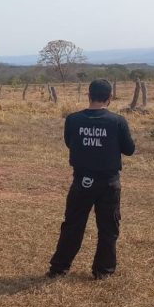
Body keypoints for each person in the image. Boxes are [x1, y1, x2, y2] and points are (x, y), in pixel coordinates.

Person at [48, 79, 136, 280]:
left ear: (88, 95)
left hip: (81, 181)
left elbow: (70, 143)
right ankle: (103, 271)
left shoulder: (73, 119)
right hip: (109, 182)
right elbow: (129, 150)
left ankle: (59, 268)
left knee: (72, 225)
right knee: (108, 228)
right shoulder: (117, 121)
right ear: (110, 98)